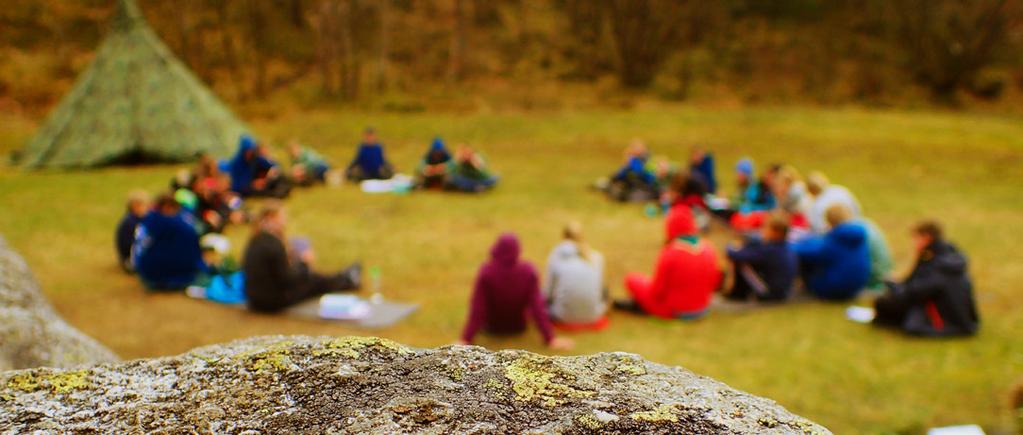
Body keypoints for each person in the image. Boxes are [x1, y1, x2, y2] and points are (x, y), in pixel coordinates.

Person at [458, 233, 573, 350]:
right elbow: (537, 307)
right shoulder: (528, 272)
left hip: (492, 327)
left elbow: (478, 309)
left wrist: (465, 339)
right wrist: (550, 338)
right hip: (518, 327)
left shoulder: (487, 272)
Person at [243, 201, 362, 313]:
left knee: (312, 278)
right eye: (282, 217)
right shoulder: (273, 243)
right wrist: (304, 263)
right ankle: (347, 279)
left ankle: (344, 277)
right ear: (271, 218)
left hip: (254, 299)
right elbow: (287, 280)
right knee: (312, 281)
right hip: (270, 302)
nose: (285, 220)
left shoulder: (256, 239)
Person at [873, 221, 979, 337]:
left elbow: (915, 292)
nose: (913, 243)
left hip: (948, 321)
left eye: (915, 238)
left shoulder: (935, 262)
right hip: (962, 320)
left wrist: (892, 285)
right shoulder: (948, 256)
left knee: (884, 303)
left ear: (926, 238)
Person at [615, 206, 721, 319]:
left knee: (632, 280)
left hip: (675, 310)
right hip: (702, 308)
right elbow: (714, 282)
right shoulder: (709, 248)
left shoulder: (671, 252)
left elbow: (657, 292)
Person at [794, 204, 870, 300]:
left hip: (834, 289)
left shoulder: (835, 239)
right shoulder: (859, 237)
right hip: (857, 287)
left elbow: (807, 251)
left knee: (806, 262)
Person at [132, 194, 203, 291]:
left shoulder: (149, 220)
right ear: (167, 207)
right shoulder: (178, 224)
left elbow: (140, 248)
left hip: (147, 271)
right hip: (170, 275)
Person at [542, 222, 607, 326]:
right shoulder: (597, 257)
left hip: (562, 316)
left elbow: (547, 293)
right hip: (593, 315)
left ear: (563, 237)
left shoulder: (556, 256)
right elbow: (600, 291)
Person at [724, 213, 799, 302]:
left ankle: (737, 295)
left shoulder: (770, 250)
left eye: (765, 228)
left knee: (741, 263)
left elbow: (734, 254)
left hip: (771, 294)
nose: (762, 231)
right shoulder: (785, 246)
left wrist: (731, 246)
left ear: (776, 232)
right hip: (785, 292)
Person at [227, 135, 291, 198]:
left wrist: (270, 172)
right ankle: (277, 193)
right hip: (247, 188)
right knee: (255, 191)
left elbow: (272, 165)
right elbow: (235, 184)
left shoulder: (256, 157)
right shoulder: (236, 163)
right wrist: (252, 184)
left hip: (260, 183)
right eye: (247, 151)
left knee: (279, 176)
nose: (249, 153)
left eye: (251, 150)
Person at [115, 190, 151, 272]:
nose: (148, 209)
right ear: (135, 206)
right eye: (145, 206)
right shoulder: (130, 222)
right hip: (129, 259)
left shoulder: (139, 219)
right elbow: (133, 244)